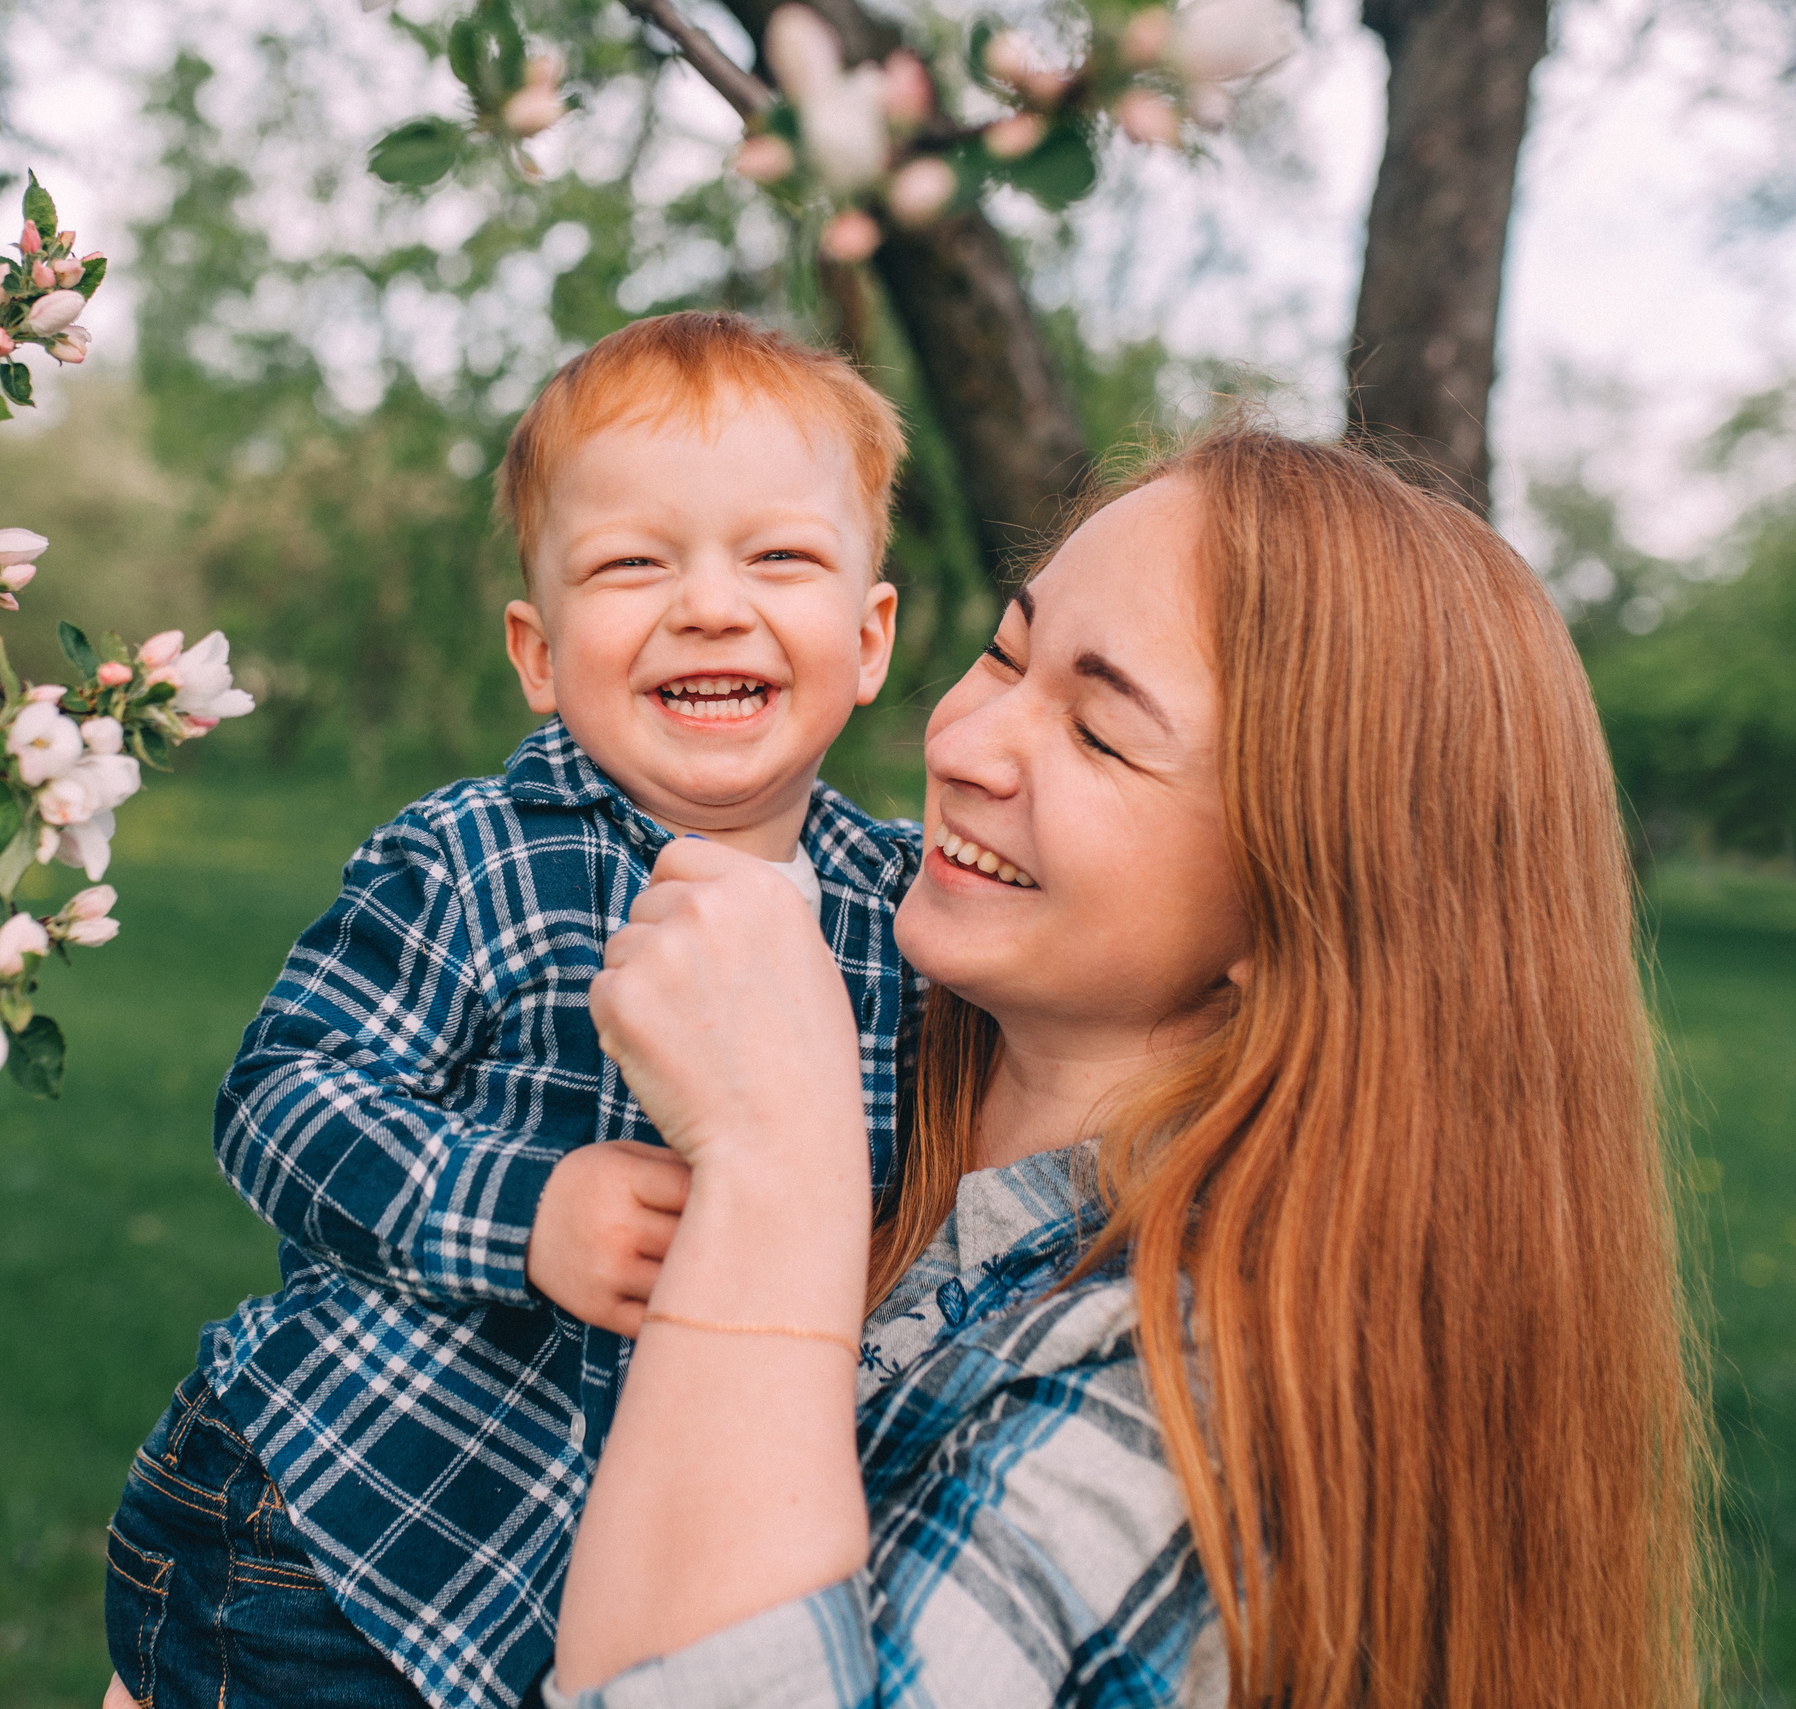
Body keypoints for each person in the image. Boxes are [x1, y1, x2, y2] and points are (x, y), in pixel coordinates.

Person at [546, 425, 1710, 1708]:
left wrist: (776, 1167)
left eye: (1100, 733)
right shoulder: (873, 1037)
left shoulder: (1208, 1390)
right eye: (1003, 651)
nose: (964, 744)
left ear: (1303, 908)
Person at [101, 311, 925, 1709]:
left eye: (778, 555)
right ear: (540, 655)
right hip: (346, 1537)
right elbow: (285, 1098)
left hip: (614, 1592)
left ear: (870, 634)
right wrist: (523, 1207)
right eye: (633, 563)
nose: (711, 605)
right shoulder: (476, 858)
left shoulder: (902, 912)